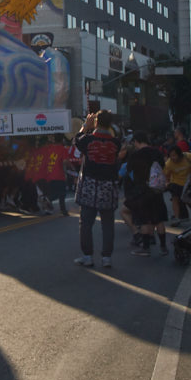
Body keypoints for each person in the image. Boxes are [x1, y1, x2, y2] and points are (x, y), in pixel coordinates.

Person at [72, 110, 122, 268]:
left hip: (90, 185)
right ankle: (107, 258)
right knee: (108, 224)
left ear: (96, 122)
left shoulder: (87, 139)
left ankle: (88, 256)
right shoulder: (116, 143)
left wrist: (85, 126)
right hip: (108, 186)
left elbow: (76, 140)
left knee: (86, 223)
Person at [126, 133, 169, 257]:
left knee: (145, 220)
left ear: (137, 141)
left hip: (142, 190)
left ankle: (146, 248)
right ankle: (163, 247)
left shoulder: (135, 155)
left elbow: (129, 171)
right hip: (156, 189)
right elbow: (163, 166)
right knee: (159, 220)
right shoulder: (156, 152)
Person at [163, 145, 191, 225]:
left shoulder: (188, 156)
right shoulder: (169, 164)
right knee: (175, 198)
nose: (173, 158)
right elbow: (166, 175)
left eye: (174, 155)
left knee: (189, 200)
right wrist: (167, 183)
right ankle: (177, 218)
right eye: (171, 156)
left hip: (189, 183)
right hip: (176, 183)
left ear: (179, 154)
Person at [38, 134, 71, 216]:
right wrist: (71, 167)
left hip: (49, 174)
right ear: (62, 140)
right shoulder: (63, 149)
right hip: (59, 175)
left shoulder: (49, 149)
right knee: (61, 193)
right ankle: (62, 209)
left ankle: (48, 208)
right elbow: (65, 162)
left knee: (51, 191)